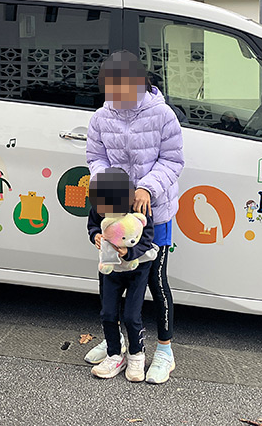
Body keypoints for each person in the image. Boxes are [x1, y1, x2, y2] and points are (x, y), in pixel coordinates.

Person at [84, 51, 184, 385]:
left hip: (156, 211)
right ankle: (118, 344)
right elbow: (95, 157)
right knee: (110, 275)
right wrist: (109, 185)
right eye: (110, 91)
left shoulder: (162, 114)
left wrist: (145, 188)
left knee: (154, 280)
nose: (115, 98)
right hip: (114, 214)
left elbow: (172, 160)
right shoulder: (102, 117)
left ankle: (165, 351)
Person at [87, 168, 157, 381]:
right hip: (111, 269)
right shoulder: (98, 210)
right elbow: (92, 227)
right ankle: (114, 354)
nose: (102, 211)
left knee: (131, 315)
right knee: (108, 313)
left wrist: (130, 252)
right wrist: (96, 236)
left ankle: (137, 356)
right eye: (99, 206)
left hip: (137, 269)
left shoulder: (139, 211)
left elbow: (147, 239)